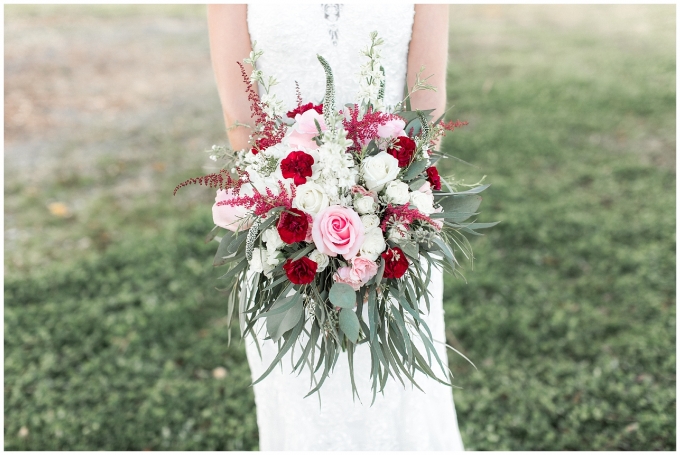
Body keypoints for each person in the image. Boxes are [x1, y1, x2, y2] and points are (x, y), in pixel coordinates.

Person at [207, 4, 464, 451]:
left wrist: (382, 216)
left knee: (401, 401)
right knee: (304, 403)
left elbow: (427, 112)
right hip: (284, 230)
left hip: (393, 225)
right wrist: (303, 221)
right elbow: (242, 123)